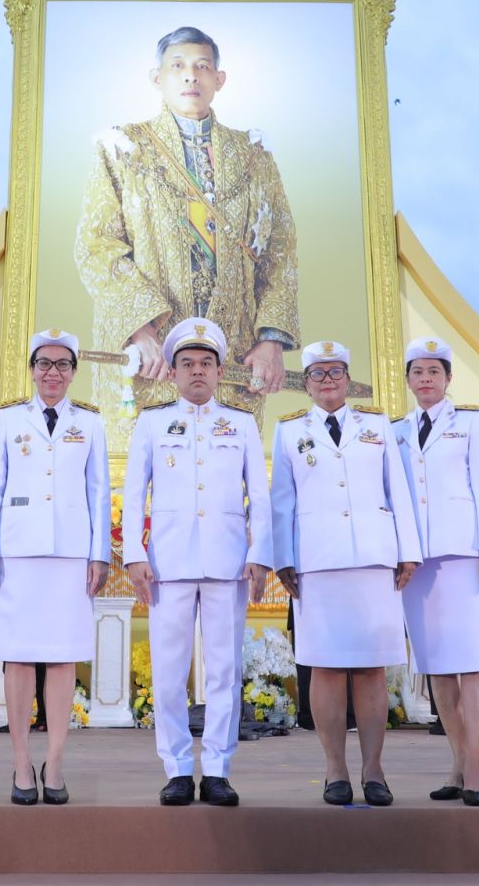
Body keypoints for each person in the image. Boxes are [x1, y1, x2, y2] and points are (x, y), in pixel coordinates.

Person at [75, 25, 300, 445]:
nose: (190, 76)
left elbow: (279, 251)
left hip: (232, 354)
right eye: (177, 66)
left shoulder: (254, 156)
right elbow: (97, 245)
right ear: (156, 78)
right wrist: (139, 330)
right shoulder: (123, 147)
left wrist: (270, 341)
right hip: (150, 357)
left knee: (227, 481)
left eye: (202, 66)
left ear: (219, 79)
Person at [121, 316, 273, 807]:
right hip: (168, 562)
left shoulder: (243, 424)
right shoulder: (151, 421)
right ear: (173, 370)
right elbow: (133, 490)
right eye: (187, 363)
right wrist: (133, 554)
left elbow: (261, 499)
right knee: (169, 670)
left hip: (228, 561)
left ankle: (219, 769)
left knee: (224, 669)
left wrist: (260, 556)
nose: (197, 371)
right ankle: (178, 768)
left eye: (206, 363)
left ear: (220, 369)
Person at [270, 340, 419, 806]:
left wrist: (408, 550)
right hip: (318, 562)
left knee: (372, 669)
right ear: (307, 383)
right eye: (318, 374)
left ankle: (374, 769)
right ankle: (335, 768)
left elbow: (399, 490)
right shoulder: (290, 430)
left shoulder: (376, 426)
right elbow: (282, 501)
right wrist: (283, 558)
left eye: (336, 373)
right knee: (326, 669)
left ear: (349, 380)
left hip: (375, 558)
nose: (328, 381)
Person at [0, 328, 112, 805]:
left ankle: (54, 760)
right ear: (32, 370)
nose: (52, 372)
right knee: (17, 656)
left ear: (73, 372)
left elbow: (100, 491)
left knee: (60, 657)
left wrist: (101, 554)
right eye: (44, 363)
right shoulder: (9, 419)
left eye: (62, 364)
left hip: (71, 555)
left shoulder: (90, 422)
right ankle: (20, 762)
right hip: (17, 553)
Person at [393, 336, 479, 807]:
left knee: (476, 663)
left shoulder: (472, 423)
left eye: (434, 372)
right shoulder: (395, 430)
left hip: (464, 555)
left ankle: (478, 770)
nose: (426, 380)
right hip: (417, 562)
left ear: (447, 379)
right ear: (408, 379)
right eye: (417, 372)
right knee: (438, 667)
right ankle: (458, 764)